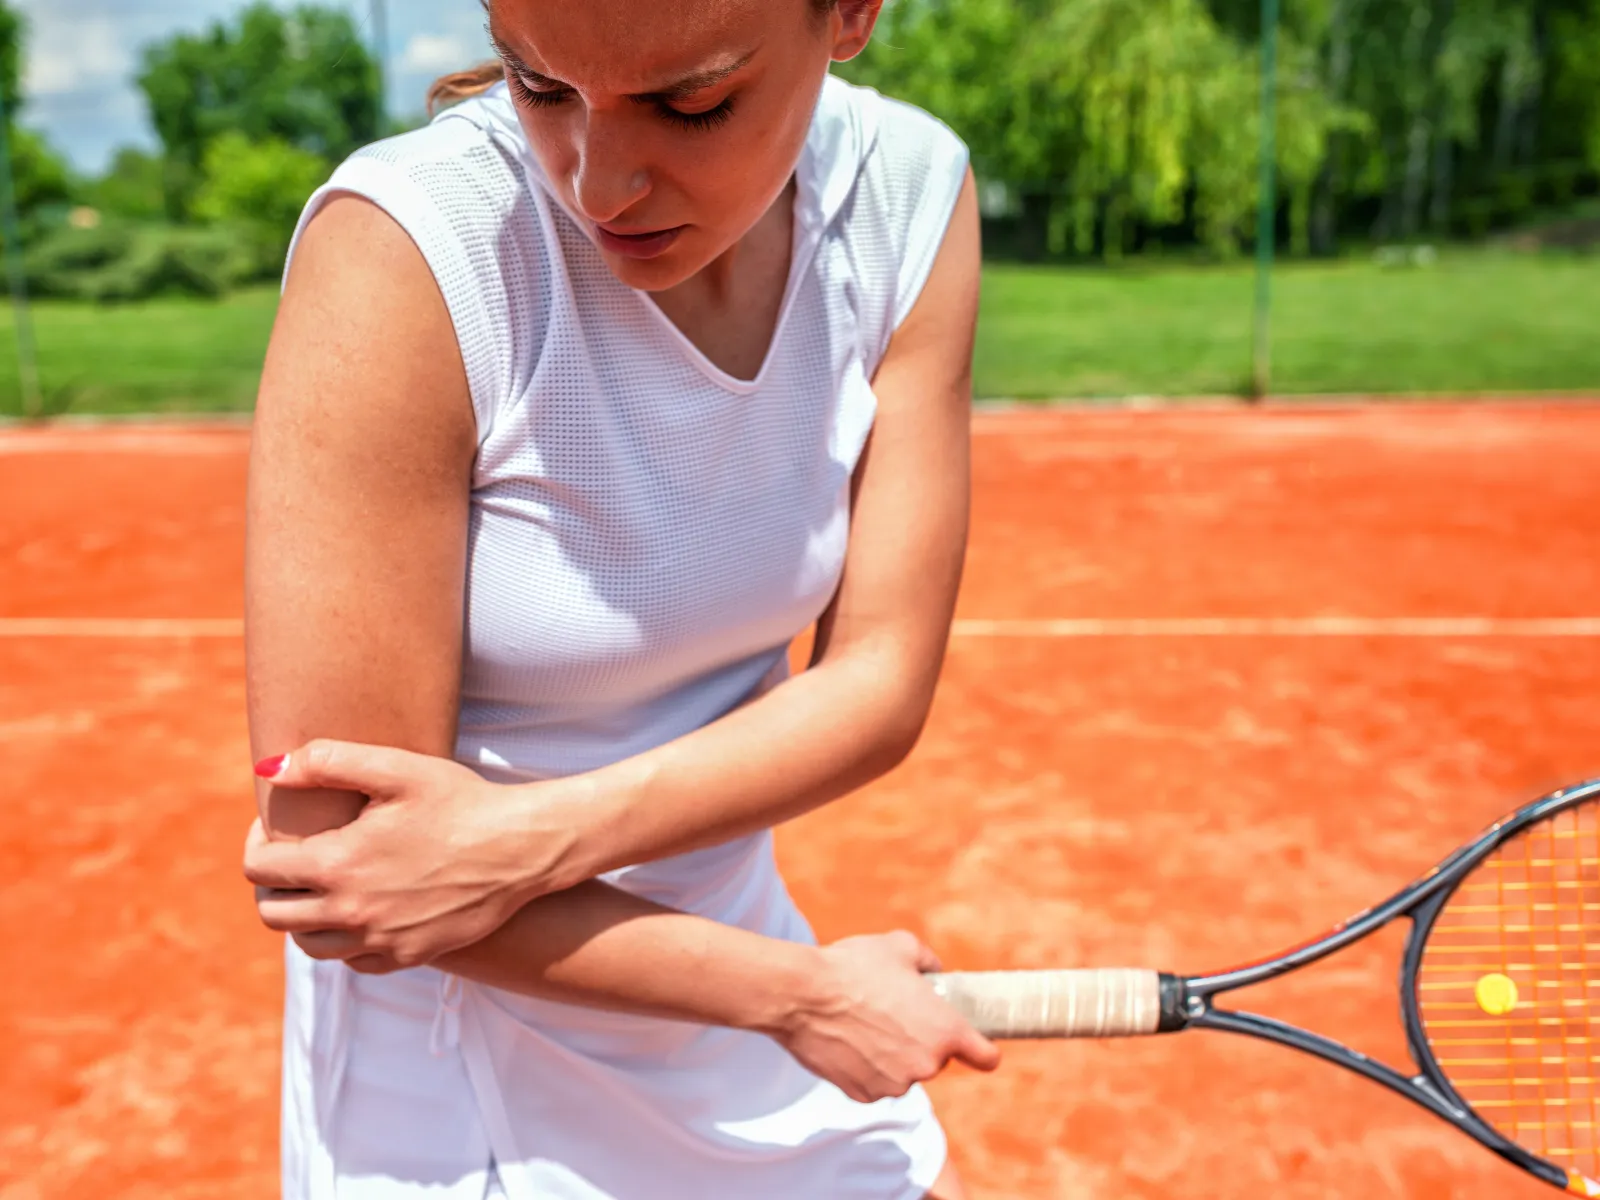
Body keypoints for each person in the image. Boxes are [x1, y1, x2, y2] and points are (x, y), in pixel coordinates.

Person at [241, 0, 994, 1196]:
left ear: (851, 14)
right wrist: (794, 996)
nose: (598, 184)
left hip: (730, 975)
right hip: (459, 1063)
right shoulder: (405, 248)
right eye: (540, 88)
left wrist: (521, 839)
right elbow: (352, 867)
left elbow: (879, 679)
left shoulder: (907, 191)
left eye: (690, 102)